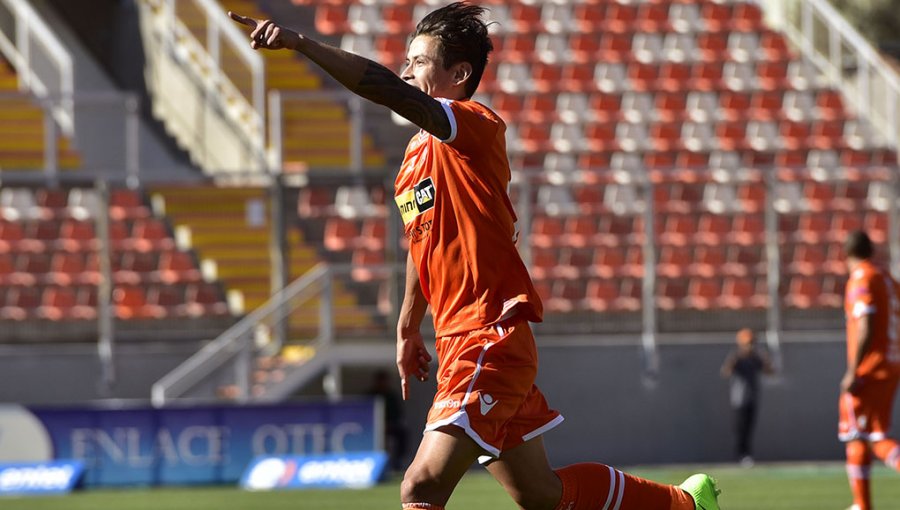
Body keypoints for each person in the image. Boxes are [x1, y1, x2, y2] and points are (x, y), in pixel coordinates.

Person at [230, 4, 721, 509]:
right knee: (541, 494)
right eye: (407, 60)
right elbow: (422, 244)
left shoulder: (473, 127)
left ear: (458, 74)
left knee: (420, 486)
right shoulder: (413, 162)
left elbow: (386, 89)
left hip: (490, 333)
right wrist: (406, 327)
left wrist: (304, 44)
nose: (406, 70)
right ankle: (684, 504)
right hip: (460, 341)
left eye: (418, 61)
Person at [840, 230, 900, 510]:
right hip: (890, 364)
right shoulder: (889, 280)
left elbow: (865, 323)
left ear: (847, 255)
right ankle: (861, 504)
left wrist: (853, 370)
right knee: (867, 433)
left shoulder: (862, 278)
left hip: (870, 368)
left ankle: (861, 505)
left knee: (866, 436)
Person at [720, 328, 773, 467]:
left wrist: (764, 357)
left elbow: (769, 371)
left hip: (751, 398)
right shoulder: (737, 358)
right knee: (740, 429)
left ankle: (746, 455)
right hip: (739, 400)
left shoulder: (755, 359)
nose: (750, 346)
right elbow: (726, 372)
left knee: (749, 428)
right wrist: (734, 360)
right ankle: (740, 455)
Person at [370, 368, 409, 472]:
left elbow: (397, 413)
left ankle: (398, 462)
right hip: (372, 427)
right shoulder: (371, 394)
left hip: (390, 426)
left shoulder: (391, 396)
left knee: (402, 434)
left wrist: (389, 424)